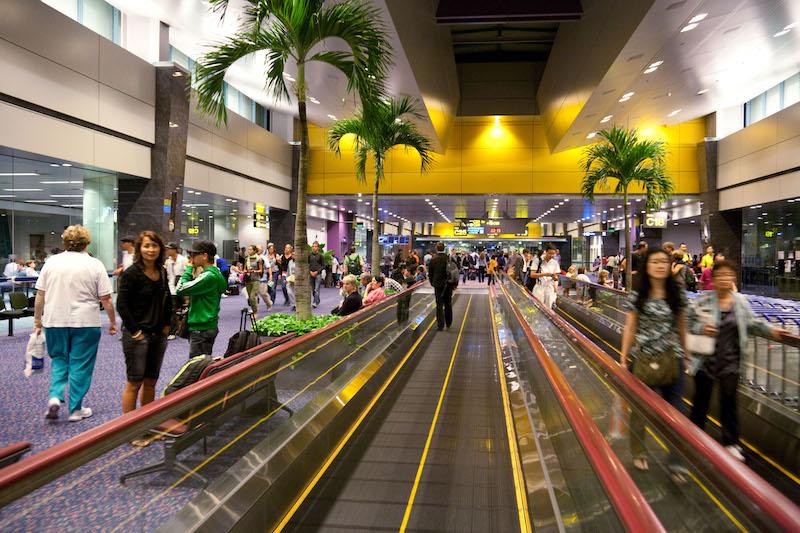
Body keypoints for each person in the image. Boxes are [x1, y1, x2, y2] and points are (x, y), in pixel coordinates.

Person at [687, 260, 787, 461]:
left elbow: (752, 323)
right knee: (701, 402)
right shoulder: (704, 300)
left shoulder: (740, 301)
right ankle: (693, 439)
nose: (724, 279)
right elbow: (688, 322)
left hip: (730, 361)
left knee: (729, 403)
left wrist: (771, 330)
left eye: (728, 275)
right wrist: (701, 328)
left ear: (733, 278)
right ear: (713, 279)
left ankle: (731, 442)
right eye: (720, 275)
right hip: (705, 361)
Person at [34, 225, 116, 422]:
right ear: (87, 243)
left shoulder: (51, 262)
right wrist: (113, 322)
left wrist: (38, 320)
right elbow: (106, 299)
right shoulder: (95, 264)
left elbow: (40, 295)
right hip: (85, 322)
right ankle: (75, 409)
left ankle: (55, 396)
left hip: (54, 320)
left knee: (59, 360)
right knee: (81, 364)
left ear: (64, 243)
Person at [620, 248, 688, 476]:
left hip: (672, 358)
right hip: (643, 358)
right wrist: (623, 357)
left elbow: (682, 327)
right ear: (647, 266)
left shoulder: (677, 293)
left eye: (664, 262)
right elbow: (630, 327)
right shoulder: (637, 295)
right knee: (639, 409)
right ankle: (639, 452)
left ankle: (677, 460)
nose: (660, 265)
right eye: (655, 261)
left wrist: (686, 355)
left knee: (676, 411)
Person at [117, 231, 172, 419]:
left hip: (158, 335)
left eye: (154, 245)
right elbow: (122, 305)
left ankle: (145, 424)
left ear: (160, 248)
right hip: (137, 336)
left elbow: (167, 299)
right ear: (139, 249)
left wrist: (167, 325)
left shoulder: (162, 271)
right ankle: (129, 429)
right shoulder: (131, 273)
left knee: (151, 381)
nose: (151, 250)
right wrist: (135, 331)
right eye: (146, 246)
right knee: (134, 382)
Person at [176, 240, 227, 357]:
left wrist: (188, 270)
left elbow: (180, 289)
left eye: (194, 255)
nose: (191, 258)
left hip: (201, 329)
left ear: (204, 256)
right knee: (203, 362)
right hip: (207, 326)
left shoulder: (208, 276)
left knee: (197, 368)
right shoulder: (216, 274)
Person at [428, 242, 455, 331]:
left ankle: (440, 325)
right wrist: (454, 284)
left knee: (439, 305)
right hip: (448, 285)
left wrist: (432, 283)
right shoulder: (449, 258)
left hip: (438, 285)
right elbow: (454, 271)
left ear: (436, 248)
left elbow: (430, 273)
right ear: (444, 248)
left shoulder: (433, 259)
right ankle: (449, 322)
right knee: (448, 303)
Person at [530, 245, 560, 309]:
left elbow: (556, 276)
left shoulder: (555, 263)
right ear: (546, 252)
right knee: (538, 307)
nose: (551, 255)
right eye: (550, 253)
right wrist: (544, 274)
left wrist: (555, 280)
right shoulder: (538, 260)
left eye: (553, 254)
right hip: (539, 287)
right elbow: (532, 275)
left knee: (549, 308)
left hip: (550, 288)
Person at [243, 245, 265, 319]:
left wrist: (253, 271)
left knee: (252, 297)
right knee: (250, 298)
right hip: (248, 279)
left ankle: (255, 312)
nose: (248, 251)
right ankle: (253, 309)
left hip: (256, 279)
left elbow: (261, 270)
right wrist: (245, 271)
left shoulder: (259, 259)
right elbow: (245, 269)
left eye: (250, 250)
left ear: (255, 251)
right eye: (248, 249)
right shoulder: (246, 259)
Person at [309, 241, 325, 308]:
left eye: (315, 246)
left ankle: (315, 302)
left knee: (316, 289)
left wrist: (317, 272)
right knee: (313, 290)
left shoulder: (320, 256)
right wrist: (310, 271)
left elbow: (323, 265)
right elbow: (307, 264)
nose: (314, 248)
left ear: (318, 248)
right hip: (310, 274)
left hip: (318, 274)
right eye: (313, 246)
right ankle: (317, 299)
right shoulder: (309, 255)